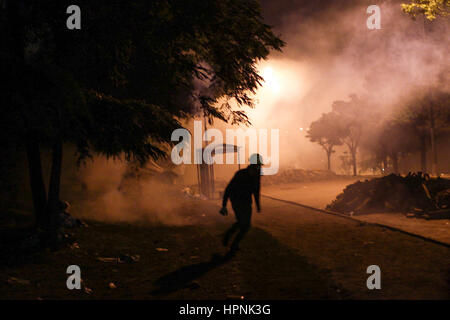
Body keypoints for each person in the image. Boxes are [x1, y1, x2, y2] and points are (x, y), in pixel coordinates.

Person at [220, 153, 262, 253]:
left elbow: (256, 192)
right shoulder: (240, 174)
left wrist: (258, 205)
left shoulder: (257, 176)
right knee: (245, 225)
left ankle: (228, 235)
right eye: (257, 165)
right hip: (236, 201)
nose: (259, 168)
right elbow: (229, 189)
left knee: (243, 224)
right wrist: (224, 205)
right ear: (252, 165)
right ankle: (233, 244)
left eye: (259, 166)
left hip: (247, 202)